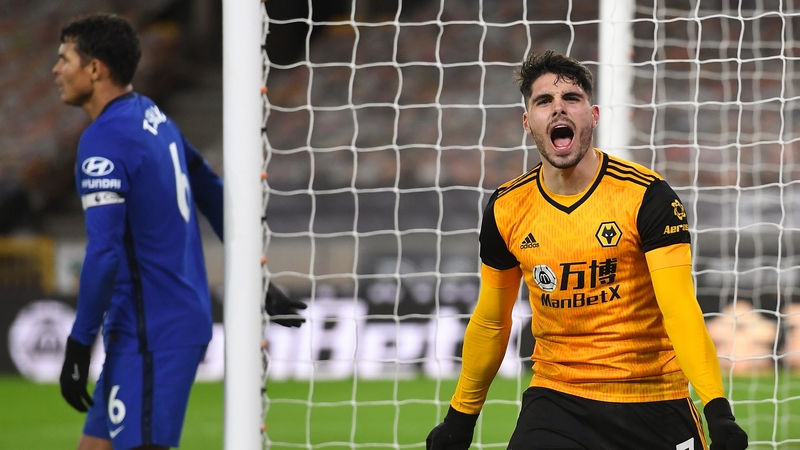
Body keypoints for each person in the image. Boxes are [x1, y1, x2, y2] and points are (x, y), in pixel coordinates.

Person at [425, 50, 748, 450]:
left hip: (653, 398)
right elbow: (492, 320)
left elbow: (679, 307)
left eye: (571, 99)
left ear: (592, 115)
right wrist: (460, 418)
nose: (558, 109)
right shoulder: (506, 208)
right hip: (558, 400)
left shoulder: (647, 196)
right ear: (529, 123)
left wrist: (718, 410)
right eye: (544, 101)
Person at [52, 14, 307, 450]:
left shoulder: (104, 141)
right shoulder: (151, 115)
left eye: (64, 59)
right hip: (149, 324)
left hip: (154, 331)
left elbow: (104, 254)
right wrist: (256, 279)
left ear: (95, 68)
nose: (56, 70)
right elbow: (209, 187)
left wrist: (78, 346)